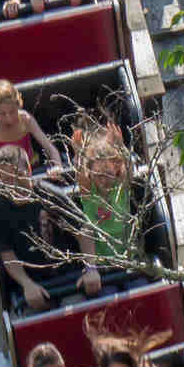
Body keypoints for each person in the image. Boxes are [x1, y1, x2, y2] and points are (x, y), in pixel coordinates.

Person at [0, 143, 78, 313]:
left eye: (19, 176)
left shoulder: (48, 194)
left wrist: (91, 268)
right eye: (8, 179)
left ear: (28, 169)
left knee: (75, 306)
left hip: (66, 277)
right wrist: (27, 285)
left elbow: (82, 229)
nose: (15, 184)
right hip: (29, 285)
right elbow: (7, 256)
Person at [68, 121, 149, 298]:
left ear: (116, 171)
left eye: (109, 175)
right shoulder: (90, 194)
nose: (104, 180)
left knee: (140, 290)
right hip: (104, 267)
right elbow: (81, 175)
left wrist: (121, 148)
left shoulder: (121, 187)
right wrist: (79, 153)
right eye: (99, 176)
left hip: (128, 262)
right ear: (91, 174)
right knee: (109, 296)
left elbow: (129, 169)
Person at [0, 77, 61, 174]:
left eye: (12, 112)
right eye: (2, 114)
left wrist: (57, 167)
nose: (8, 118)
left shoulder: (26, 119)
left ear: (18, 106)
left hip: (32, 169)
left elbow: (50, 148)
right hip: (8, 176)